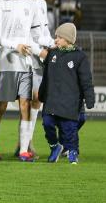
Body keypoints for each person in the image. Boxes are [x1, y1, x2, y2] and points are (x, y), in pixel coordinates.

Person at [0, 0, 42, 162]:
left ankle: (24, 150)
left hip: (25, 63)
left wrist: (39, 50)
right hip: (5, 63)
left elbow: (34, 35)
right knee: (0, 107)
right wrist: (14, 46)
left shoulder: (31, 5)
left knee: (25, 105)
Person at [39, 23, 95, 165]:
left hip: (70, 102)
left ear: (68, 39)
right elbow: (46, 77)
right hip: (52, 100)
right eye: (56, 36)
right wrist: (42, 94)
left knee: (69, 130)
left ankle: (73, 152)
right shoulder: (52, 54)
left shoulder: (80, 57)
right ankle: (55, 147)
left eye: (59, 37)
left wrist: (89, 98)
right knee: (47, 124)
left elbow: (86, 80)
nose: (56, 40)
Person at [20, 0, 54, 158]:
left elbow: (44, 32)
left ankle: (26, 142)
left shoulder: (41, 3)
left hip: (40, 57)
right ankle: (23, 145)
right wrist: (39, 51)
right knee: (25, 100)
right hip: (23, 57)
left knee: (36, 99)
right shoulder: (20, 2)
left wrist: (54, 43)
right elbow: (23, 35)